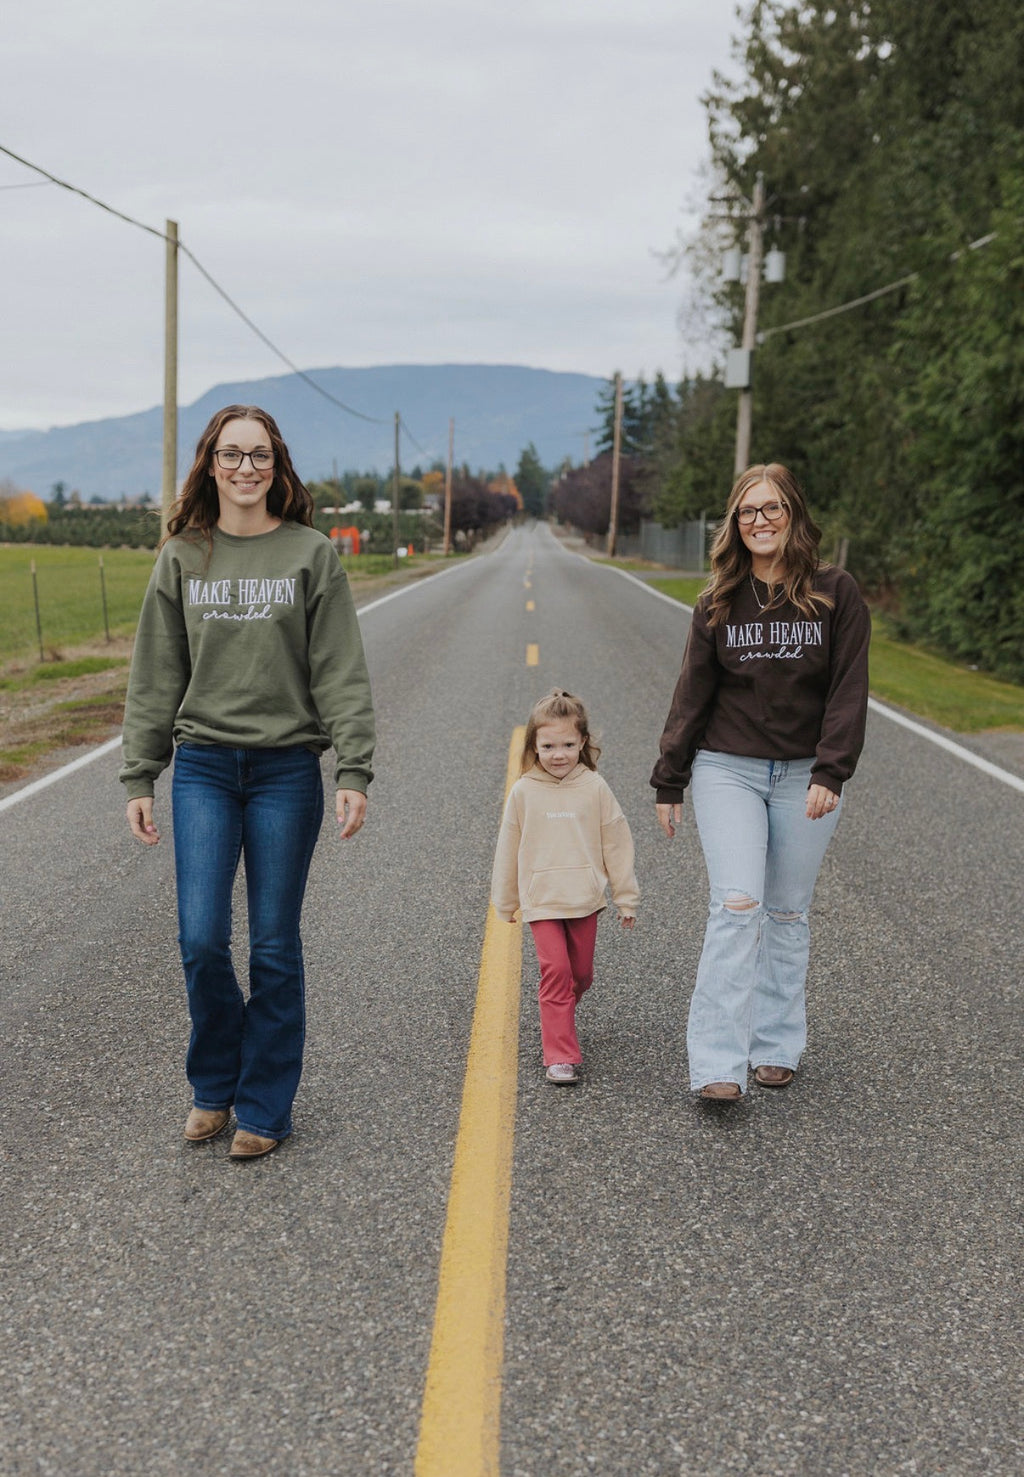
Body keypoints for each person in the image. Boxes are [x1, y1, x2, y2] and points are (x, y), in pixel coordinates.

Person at [121, 404, 375, 1158]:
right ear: (210, 463)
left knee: (272, 946)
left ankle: (264, 1104)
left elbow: (340, 669)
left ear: (277, 465)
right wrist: (141, 772)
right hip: (201, 765)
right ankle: (213, 1086)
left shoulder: (310, 554)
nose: (245, 468)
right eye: (231, 454)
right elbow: (155, 672)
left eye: (258, 455)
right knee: (201, 938)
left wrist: (353, 766)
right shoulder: (183, 556)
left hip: (284, 771)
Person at [651, 463, 869, 1102]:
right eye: (748, 511)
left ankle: (775, 1046)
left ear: (794, 514)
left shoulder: (835, 593)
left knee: (787, 911)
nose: (760, 521)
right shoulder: (718, 599)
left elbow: (848, 689)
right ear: (734, 523)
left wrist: (831, 768)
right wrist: (671, 779)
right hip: (729, 768)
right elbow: (692, 693)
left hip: (806, 773)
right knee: (738, 903)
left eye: (772, 508)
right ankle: (718, 1062)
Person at [491, 689, 639, 1084]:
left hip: (584, 899)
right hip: (542, 901)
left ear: (583, 743)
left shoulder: (594, 787)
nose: (559, 754)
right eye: (549, 745)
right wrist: (505, 901)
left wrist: (626, 898)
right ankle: (560, 1054)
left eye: (568, 744)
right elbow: (508, 848)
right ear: (534, 747)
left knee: (581, 974)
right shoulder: (524, 791)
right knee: (555, 971)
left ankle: (558, 1013)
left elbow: (617, 843)